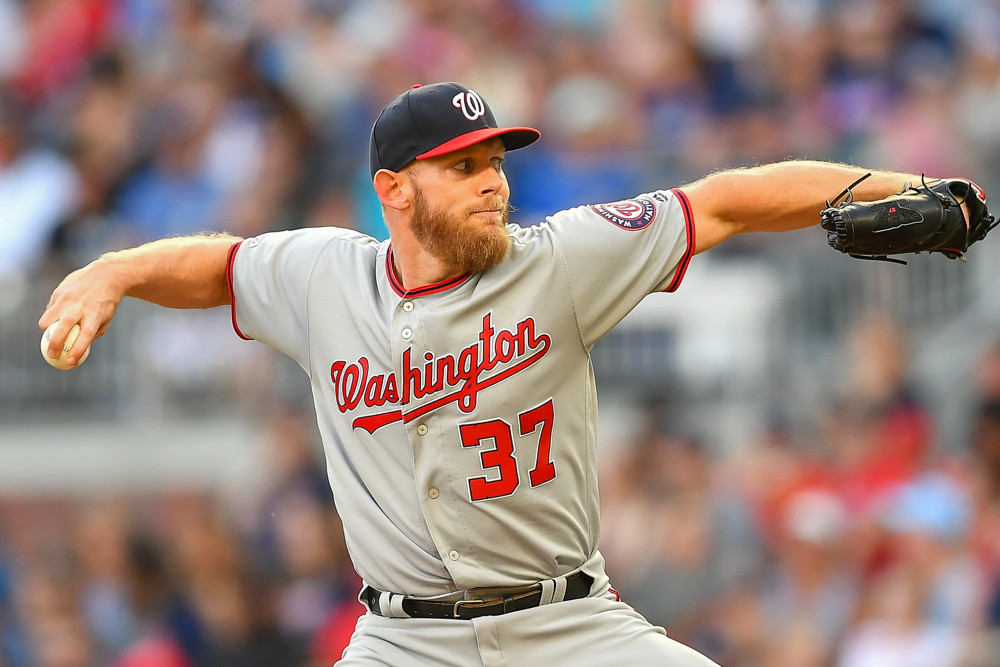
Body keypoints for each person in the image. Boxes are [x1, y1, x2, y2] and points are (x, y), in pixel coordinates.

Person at [39, 82, 975, 666]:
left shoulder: (558, 260)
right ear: (394, 190)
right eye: (462, 167)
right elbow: (217, 265)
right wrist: (112, 271)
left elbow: (723, 201)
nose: (493, 181)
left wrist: (903, 189)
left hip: (568, 627)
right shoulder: (323, 277)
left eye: (494, 160)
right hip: (404, 640)